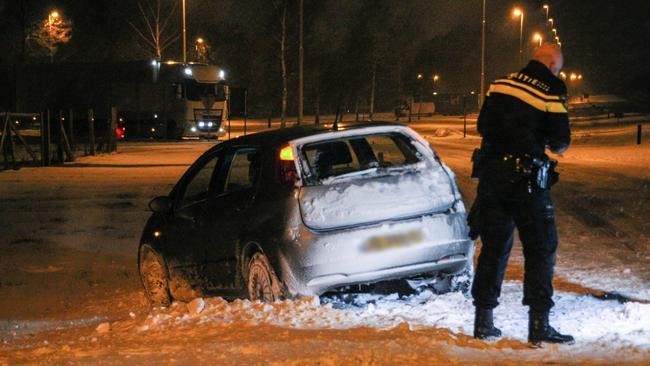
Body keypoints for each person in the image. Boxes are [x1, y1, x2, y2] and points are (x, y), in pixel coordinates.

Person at [468, 43, 574, 347]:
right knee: (541, 249)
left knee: (494, 249)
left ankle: (483, 322)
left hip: (491, 178)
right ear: (553, 65)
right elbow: (560, 143)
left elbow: (482, 125)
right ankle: (539, 325)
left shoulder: (500, 84)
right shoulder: (551, 90)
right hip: (527, 182)